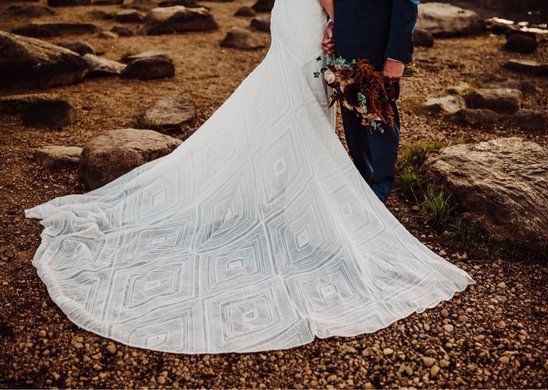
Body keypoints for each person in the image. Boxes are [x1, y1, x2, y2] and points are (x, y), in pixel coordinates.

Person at [25, 0, 474, 354]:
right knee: (302, 106)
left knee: (301, 107)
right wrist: (339, 22)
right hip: (312, 18)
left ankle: (295, 194)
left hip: (303, 14)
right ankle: (315, 198)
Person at [322, 0, 419, 200]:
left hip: (376, 38)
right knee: (350, 105)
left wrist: (396, 55)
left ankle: (380, 185)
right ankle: (362, 177)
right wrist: (333, 23)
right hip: (347, 35)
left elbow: (407, 2)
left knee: (378, 108)